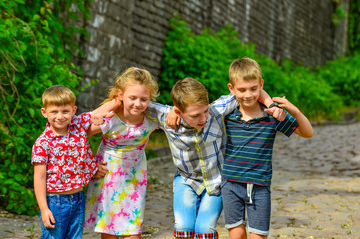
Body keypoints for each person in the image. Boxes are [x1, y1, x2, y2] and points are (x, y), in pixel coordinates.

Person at [92, 77, 284, 239]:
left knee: (204, 229)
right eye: (194, 115)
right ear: (178, 111)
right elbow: (133, 100)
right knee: (183, 228)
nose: (203, 118)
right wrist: (107, 107)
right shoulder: (165, 116)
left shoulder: (216, 111)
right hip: (186, 181)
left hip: (215, 182)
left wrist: (271, 104)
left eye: (205, 111)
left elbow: (247, 91)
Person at [221, 57, 313, 239]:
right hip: (230, 184)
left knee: (258, 236)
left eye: (253, 89)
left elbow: (307, 132)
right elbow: (201, 110)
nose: (248, 94)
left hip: (260, 187)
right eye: (242, 90)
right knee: (236, 234)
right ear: (231, 89)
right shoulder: (228, 114)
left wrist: (294, 111)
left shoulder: (273, 116)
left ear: (261, 85)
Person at [84, 67, 159, 239]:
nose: (137, 104)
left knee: (133, 230)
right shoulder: (110, 118)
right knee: (110, 230)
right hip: (108, 176)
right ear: (121, 95)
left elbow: (173, 117)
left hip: (135, 178)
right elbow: (78, 134)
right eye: (132, 98)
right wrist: (89, 165)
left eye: (144, 99)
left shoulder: (151, 118)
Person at [32, 85, 106, 239]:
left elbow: (101, 113)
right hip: (55, 201)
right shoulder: (43, 143)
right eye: (54, 112)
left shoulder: (77, 128)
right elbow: (39, 178)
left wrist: (120, 99)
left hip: (78, 198)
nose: (60, 116)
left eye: (65, 111)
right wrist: (44, 209)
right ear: (44, 113)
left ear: (73, 110)